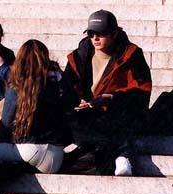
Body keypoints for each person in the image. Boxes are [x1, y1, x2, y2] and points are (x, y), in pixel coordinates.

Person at [62, 10, 152, 176]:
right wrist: (78, 101)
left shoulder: (131, 55)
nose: (95, 38)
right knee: (64, 118)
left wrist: (110, 98)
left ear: (114, 33)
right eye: (91, 33)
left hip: (117, 114)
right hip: (88, 116)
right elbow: (66, 88)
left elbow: (141, 92)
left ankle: (120, 155)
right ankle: (119, 153)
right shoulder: (79, 57)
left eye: (101, 34)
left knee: (122, 119)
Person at [0, 40, 73, 174]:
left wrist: (3, 142)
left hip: (30, 151)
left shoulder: (18, 85)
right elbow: (72, 105)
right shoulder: (60, 82)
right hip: (56, 157)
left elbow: (7, 120)